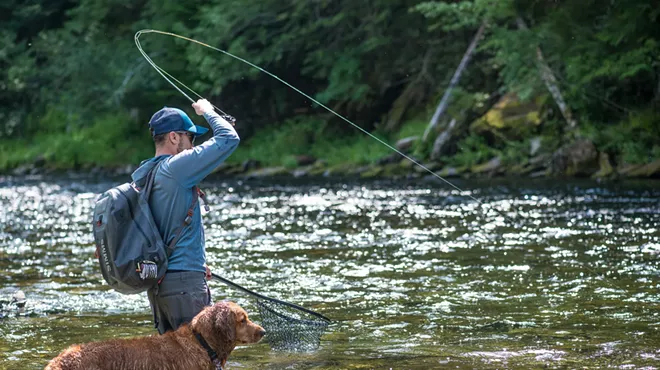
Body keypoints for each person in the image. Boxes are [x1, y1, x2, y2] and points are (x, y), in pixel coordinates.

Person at [130, 99, 240, 334]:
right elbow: (229, 138)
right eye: (191, 138)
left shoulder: (146, 173)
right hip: (184, 287)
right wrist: (207, 110)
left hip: (160, 288)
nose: (192, 146)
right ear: (173, 137)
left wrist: (196, 264)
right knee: (205, 360)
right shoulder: (176, 168)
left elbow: (163, 228)